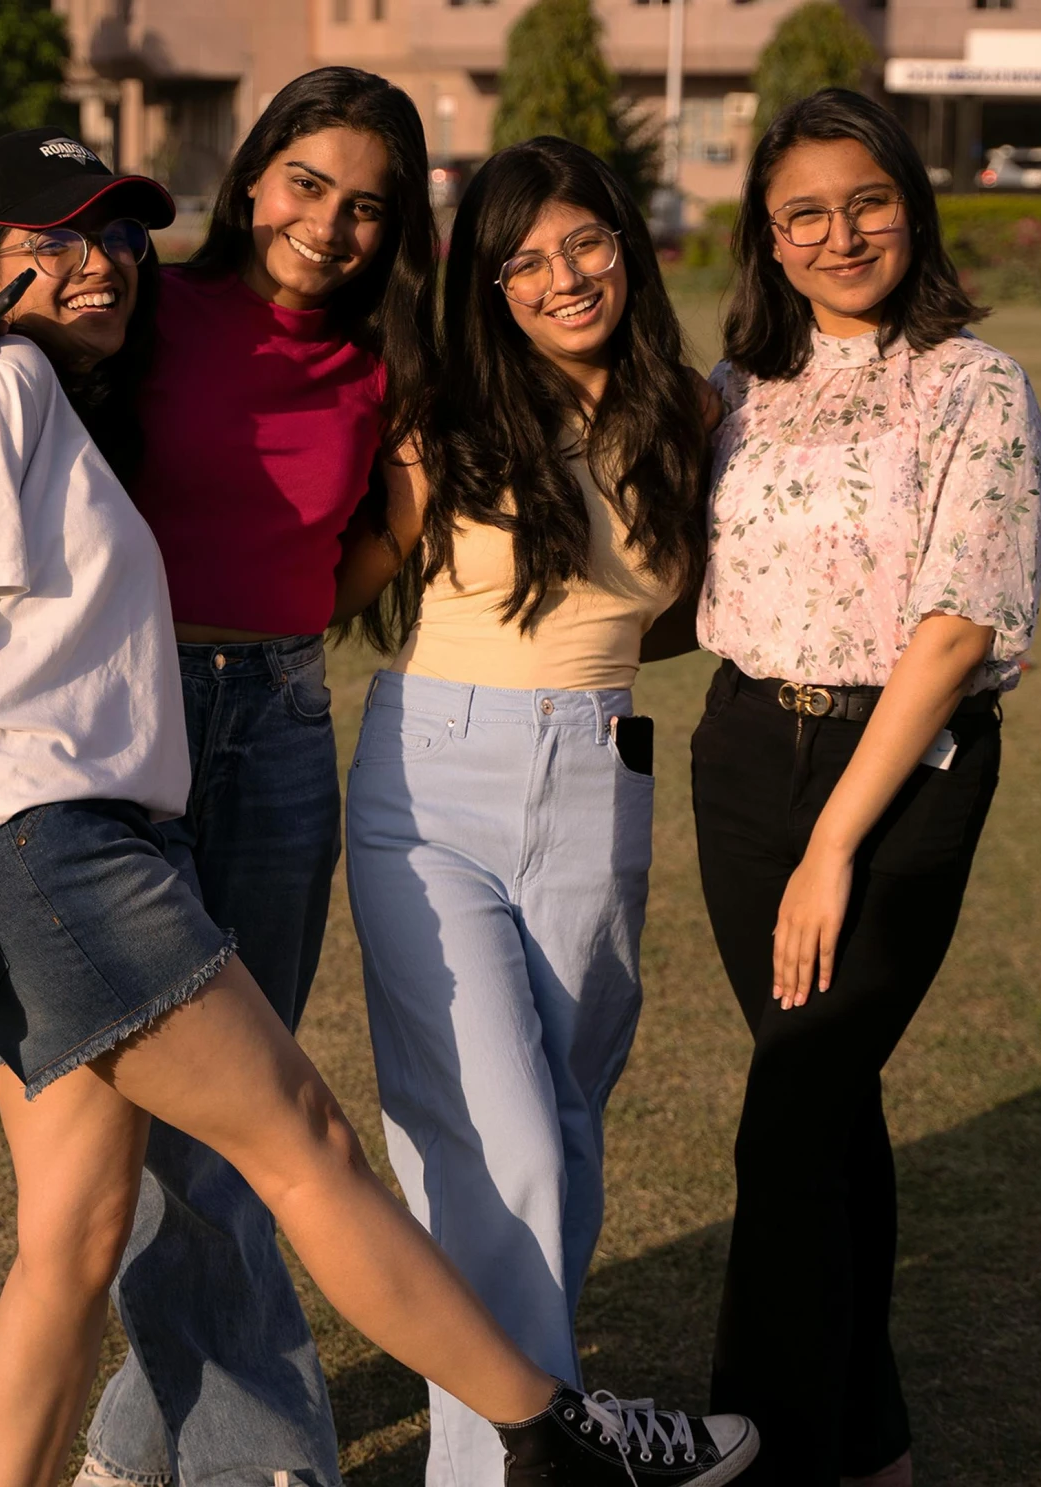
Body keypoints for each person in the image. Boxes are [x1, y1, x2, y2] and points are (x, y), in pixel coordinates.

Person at [0, 126, 755, 1487]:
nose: (97, 263)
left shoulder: (66, 383)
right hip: (56, 846)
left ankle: (142, 1447)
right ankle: (533, 1443)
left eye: (112, 237)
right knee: (302, 1145)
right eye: (53, 240)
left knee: (76, 1234)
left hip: (119, 808)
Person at [0, 68, 435, 1487]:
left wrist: (388, 535)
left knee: (227, 1120)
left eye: (368, 205)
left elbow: (349, 557)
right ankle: (264, 1456)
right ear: (252, 180)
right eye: (307, 183)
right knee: (184, 1122)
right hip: (121, 730)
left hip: (277, 722)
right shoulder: (142, 311)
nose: (331, 223)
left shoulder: (390, 363)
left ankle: (144, 1435)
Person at [687, 90, 1041, 1487]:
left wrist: (833, 842)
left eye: (866, 200)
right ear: (767, 240)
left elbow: (955, 624)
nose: (840, 233)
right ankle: (867, 1446)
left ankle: (757, 1449)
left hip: (895, 777)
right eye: (804, 213)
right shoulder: (738, 391)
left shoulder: (974, 383)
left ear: (912, 204)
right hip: (737, 759)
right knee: (828, 1110)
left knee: (787, 1117)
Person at [342, 137, 715, 1487]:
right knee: (495, 1136)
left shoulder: (685, 409)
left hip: (599, 772)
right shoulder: (440, 413)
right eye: (525, 260)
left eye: (586, 243)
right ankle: (513, 1465)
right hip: (429, 781)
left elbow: (668, 608)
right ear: (487, 284)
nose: (564, 276)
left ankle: (530, 1435)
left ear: (629, 238)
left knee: (558, 1134)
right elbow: (333, 581)